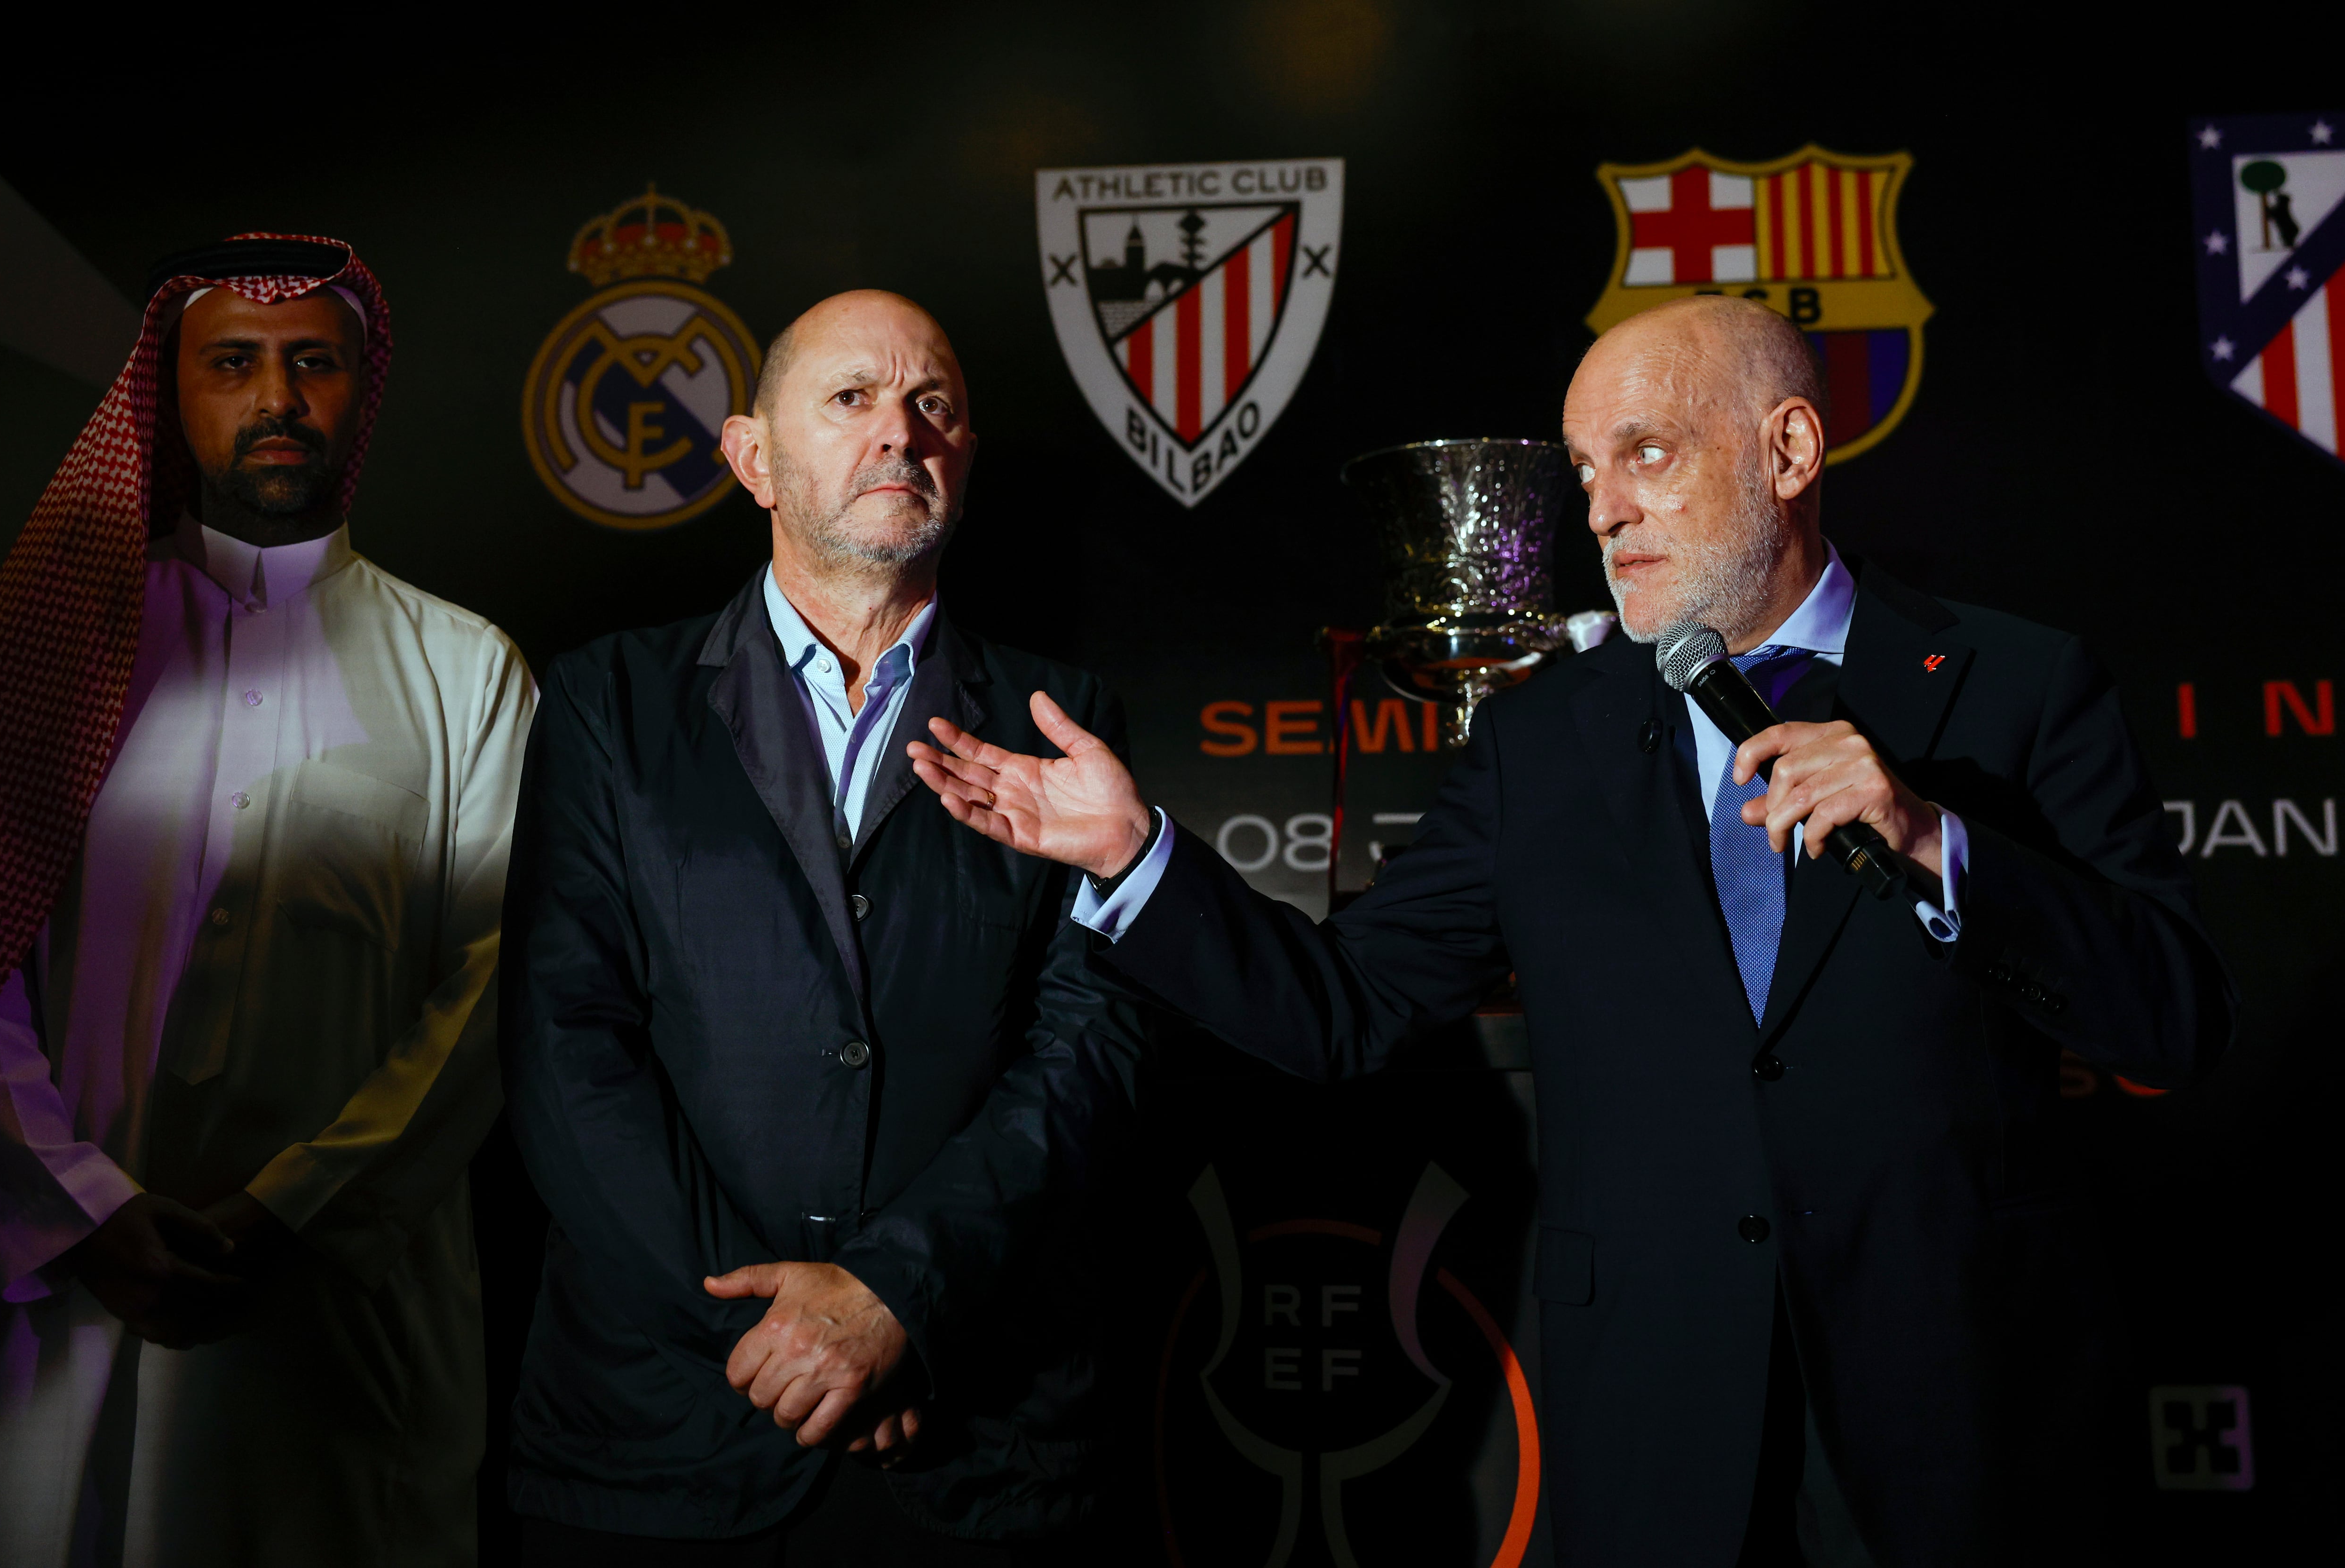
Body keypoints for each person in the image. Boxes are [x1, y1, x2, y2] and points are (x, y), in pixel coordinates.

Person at [909, 295, 2235, 1565]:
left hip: (1967, 1420)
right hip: (1661, 1432)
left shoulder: (2016, 685)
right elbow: (1344, 1009)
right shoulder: (1543, 741)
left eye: (1646, 454)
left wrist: (1938, 840)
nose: (1601, 509)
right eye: (1588, 470)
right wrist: (1135, 857)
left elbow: (2172, 1022)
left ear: (1787, 451)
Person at [500, 289, 1148, 1566]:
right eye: (852, 398)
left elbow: (1091, 1049)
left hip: (975, 1442)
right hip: (663, 1445)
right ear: (753, 458)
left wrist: (899, 1298)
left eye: (932, 404)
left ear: (965, 456)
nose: (901, 432)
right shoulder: (605, 705)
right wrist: (785, 1341)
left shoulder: (1064, 719)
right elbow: (565, 1051)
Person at [0, 235, 534, 1567]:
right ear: (170, 394)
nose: (278, 399)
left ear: (361, 389)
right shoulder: (50, 650)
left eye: (313, 365)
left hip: (341, 1327)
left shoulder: (466, 670)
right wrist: (80, 1205)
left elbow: (496, 993)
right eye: (233, 364)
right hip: (66, 1304)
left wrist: (295, 1208)